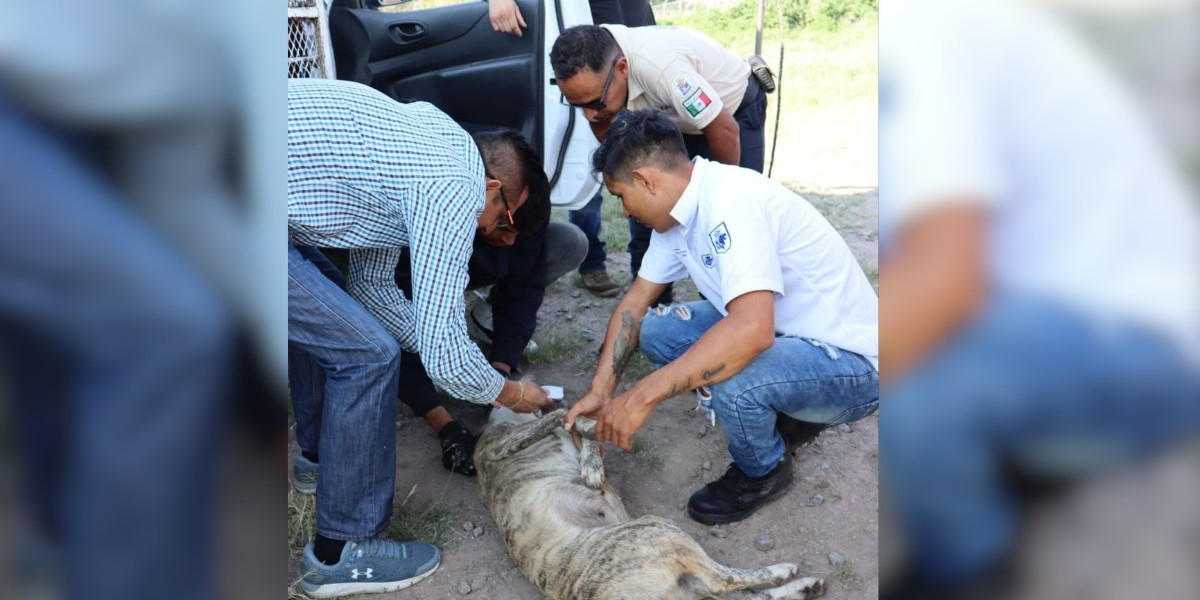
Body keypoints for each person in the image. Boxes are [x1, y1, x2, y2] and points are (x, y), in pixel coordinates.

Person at [879, 1, 1200, 596]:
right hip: (1061, 304)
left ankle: (967, 567)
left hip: (1144, 336)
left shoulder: (924, 34)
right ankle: (1008, 457)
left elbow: (943, 277)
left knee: (918, 387)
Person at [287, 78, 553, 598]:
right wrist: (512, 393)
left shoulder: (426, 144)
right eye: (503, 220)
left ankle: (319, 462)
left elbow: (372, 289)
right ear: (494, 188)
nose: (492, 232)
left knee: (336, 310)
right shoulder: (454, 184)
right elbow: (442, 353)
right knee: (367, 357)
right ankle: (342, 552)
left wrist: (451, 348)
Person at [565, 109, 878, 526]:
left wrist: (640, 397)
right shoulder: (678, 214)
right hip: (787, 337)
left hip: (853, 366)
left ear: (645, 179)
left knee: (732, 372)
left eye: (620, 195)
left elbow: (751, 331)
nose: (623, 212)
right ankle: (781, 409)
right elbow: (634, 305)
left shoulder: (730, 202)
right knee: (657, 330)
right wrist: (603, 391)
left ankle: (764, 470)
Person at [392, 130, 588, 476]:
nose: (510, 240)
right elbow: (400, 323)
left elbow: (524, 291)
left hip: (474, 261)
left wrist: (500, 370)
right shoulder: (439, 209)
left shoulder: (519, 208)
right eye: (503, 225)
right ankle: (455, 311)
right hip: (418, 269)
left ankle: (483, 320)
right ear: (490, 191)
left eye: (517, 231)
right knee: (407, 330)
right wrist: (446, 425)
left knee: (570, 241)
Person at [551, 23, 768, 306]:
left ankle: (728, 313)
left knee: (728, 223)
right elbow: (606, 133)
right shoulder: (597, 78)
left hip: (731, 116)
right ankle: (653, 309)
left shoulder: (663, 67)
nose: (590, 115)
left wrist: (715, 204)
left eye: (595, 102)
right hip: (675, 122)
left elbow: (724, 130)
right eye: (579, 105)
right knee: (646, 210)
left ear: (622, 69)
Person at [487, 0, 658, 299]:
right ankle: (592, 262)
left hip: (628, 47)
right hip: (580, 54)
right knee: (585, 164)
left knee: (644, 166)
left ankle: (647, 275)